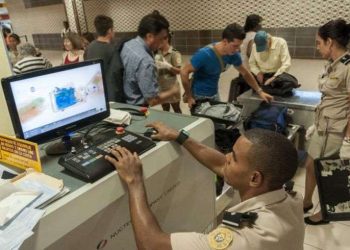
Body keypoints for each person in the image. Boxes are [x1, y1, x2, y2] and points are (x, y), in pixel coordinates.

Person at [105, 124, 304, 249]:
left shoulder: (246, 239)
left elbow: (151, 245)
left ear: (254, 179)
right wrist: (180, 136)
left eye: (233, 157)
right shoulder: (286, 197)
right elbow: (221, 165)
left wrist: (135, 181)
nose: (226, 157)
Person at [303, 18, 350, 225]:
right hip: (323, 124)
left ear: (330, 42)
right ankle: (305, 201)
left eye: (319, 42)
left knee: (329, 171)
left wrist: (348, 136)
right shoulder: (332, 65)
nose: (317, 47)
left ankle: (326, 212)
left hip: (337, 129)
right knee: (310, 164)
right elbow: (328, 96)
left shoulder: (348, 66)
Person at [181, 23, 273, 109]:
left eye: (239, 46)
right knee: (206, 125)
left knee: (221, 122)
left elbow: (245, 73)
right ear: (225, 41)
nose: (237, 50)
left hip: (215, 93)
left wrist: (260, 91)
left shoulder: (233, 54)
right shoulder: (204, 54)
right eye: (235, 46)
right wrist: (189, 97)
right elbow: (184, 71)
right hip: (198, 95)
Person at [120, 11, 179, 106]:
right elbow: (152, 100)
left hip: (124, 101)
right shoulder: (146, 62)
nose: (163, 42)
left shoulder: (129, 44)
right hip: (137, 109)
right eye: (161, 38)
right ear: (149, 36)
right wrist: (173, 91)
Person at [228, 14, 263, 101]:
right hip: (251, 69)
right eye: (260, 23)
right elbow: (250, 53)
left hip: (242, 66)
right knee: (252, 92)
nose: (261, 25)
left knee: (243, 90)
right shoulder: (255, 35)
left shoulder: (243, 35)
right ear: (256, 24)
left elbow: (240, 50)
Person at [84, 15, 118, 101]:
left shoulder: (90, 47)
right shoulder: (112, 49)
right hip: (110, 95)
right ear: (110, 30)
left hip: (94, 92)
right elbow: (116, 73)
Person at [155, 31, 182, 113]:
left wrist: (168, 66)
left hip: (172, 88)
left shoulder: (174, 53)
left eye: (160, 40)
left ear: (166, 39)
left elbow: (179, 72)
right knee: (165, 110)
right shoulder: (157, 53)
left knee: (177, 110)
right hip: (161, 87)